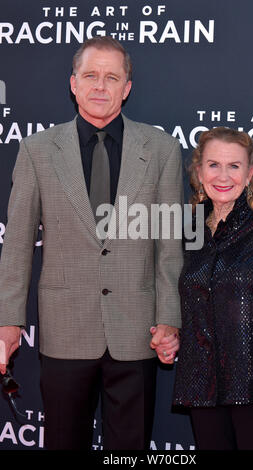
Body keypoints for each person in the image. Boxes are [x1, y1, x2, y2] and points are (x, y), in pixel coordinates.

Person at [0, 36, 183, 450]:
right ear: (73, 83)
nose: (100, 86)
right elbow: (17, 244)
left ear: (127, 88)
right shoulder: (37, 150)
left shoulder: (162, 150)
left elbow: (170, 245)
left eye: (112, 77)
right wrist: (9, 322)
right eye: (91, 76)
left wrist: (169, 319)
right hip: (65, 330)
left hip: (138, 331)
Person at [173, 127, 253, 450]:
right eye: (214, 165)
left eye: (234, 166)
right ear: (199, 172)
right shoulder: (188, 231)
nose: (223, 176)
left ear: (250, 174)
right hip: (202, 385)